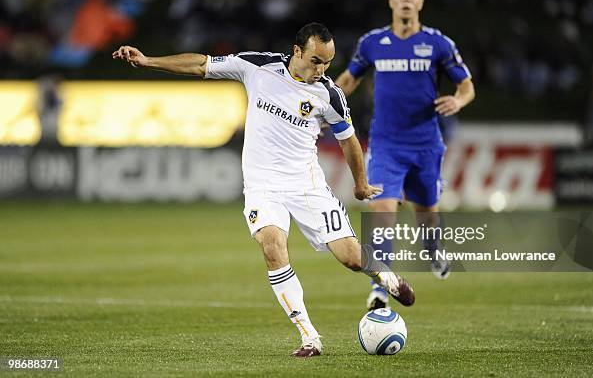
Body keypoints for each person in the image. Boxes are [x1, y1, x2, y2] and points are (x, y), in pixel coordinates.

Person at [112, 22, 415, 357]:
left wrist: (359, 184)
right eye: (316, 61)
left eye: (328, 63)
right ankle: (309, 336)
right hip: (262, 186)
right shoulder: (257, 66)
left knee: (351, 259)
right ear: (297, 51)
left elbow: (349, 141)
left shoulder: (329, 94)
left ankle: (387, 278)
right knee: (272, 247)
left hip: (306, 184)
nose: (322, 70)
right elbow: (202, 64)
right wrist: (148, 60)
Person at [335, 0, 475, 310]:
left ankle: (434, 250)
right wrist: (326, 99)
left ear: (421, 3)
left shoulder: (438, 43)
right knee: (382, 214)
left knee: (427, 215)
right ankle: (382, 287)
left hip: (426, 146)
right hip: (385, 146)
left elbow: (467, 86)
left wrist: (458, 101)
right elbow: (349, 80)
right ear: (391, 1)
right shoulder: (372, 43)